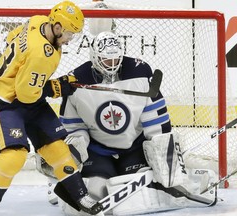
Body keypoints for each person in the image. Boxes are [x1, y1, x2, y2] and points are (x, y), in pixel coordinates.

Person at [37, 31, 218, 215]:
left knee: (138, 189)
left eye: (116, 60)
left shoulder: (140, 73)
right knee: (97, 189)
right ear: (94, 57)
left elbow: (157, 122)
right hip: (98, 151)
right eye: (107, 61)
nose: (113, 65)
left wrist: (166, 158)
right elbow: (74, 127)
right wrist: (74, 152)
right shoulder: (76, 81)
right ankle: (62, 183)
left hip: (133, 148)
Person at [0, 1, 103, 216]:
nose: (70, 39)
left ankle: (80, 195)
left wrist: (27, 72)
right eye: (70, 33)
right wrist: (56, 87)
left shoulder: (39, 21)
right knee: (13, 157)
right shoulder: (43, 54)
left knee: (58, 149)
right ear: (58, 27)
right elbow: (26, 94)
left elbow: (11, 37)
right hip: (6, 101)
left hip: (28, 94)